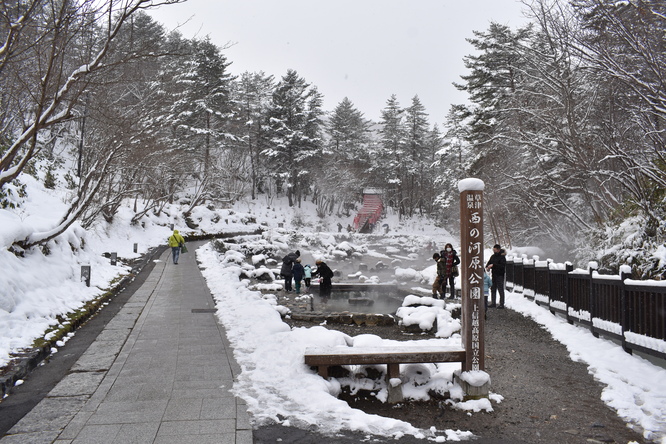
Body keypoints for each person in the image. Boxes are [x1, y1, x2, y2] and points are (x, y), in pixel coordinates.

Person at [486, 244, 507, 308]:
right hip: (494, 274)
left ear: (498, 249)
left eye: (495, 250)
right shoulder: (493, 256)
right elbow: (489, 263)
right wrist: (488, 267)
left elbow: (502, 266)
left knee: (500, 289)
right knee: (493, 289)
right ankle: (493, 303)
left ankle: (501, 304)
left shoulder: (502, 257)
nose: (494, 251)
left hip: (500, 275)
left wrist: (493, 265)